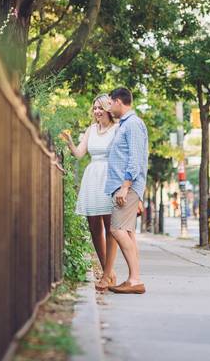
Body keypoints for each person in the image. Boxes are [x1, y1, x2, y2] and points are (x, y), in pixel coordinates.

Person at [61, 95, 120, 291]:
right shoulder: (90, 130)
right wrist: (70, 142)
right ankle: (107, 271)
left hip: (109, 177)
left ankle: (107, 273)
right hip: (92, 177)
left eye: (100, 108)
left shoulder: (117, 129)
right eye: (94, 108)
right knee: (94, 226)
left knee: (110, 226)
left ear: (107, 109)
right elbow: (79, 154)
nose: (96, 111)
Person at [104, 87, 149, 295]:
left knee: (117, 230)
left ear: (119, 102)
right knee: (127, 232)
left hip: (127, 187)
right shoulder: (125, 125)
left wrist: (125, 186)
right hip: (122, 186)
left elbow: (136, 159)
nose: (109, 107)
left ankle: (135, 279)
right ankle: (133, 279)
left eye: (110, 103)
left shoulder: (133, 124)